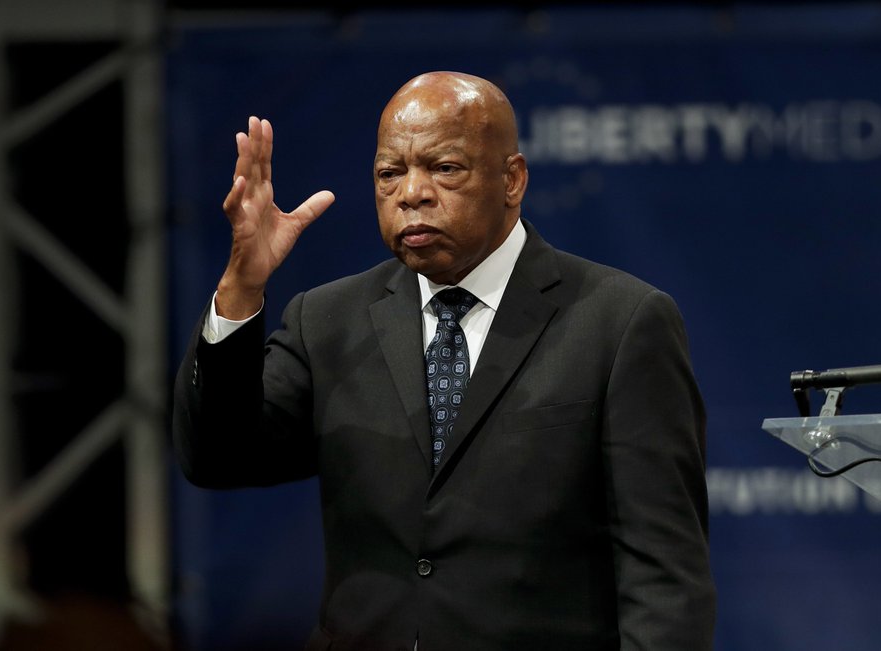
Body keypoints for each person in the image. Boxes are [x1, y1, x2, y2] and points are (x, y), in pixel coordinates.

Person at [173, 70, 716, 650]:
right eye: (390, 173)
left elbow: (665, 579)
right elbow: (216, 457)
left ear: (512, 179)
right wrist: (241, 286)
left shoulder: (620, 323)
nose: (412, 193)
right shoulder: (327, 320)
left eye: (444, 168)